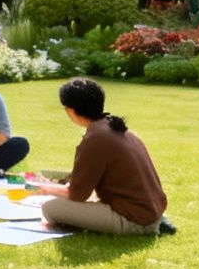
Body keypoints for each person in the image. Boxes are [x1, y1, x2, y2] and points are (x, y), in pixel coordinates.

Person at [32, 78, 173, 236]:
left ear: (70, 110)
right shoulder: (115, 128)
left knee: (50, 208)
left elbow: (77, 195)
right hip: (150, 212)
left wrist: (46, 188)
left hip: (134, 220)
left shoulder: (96, 137)